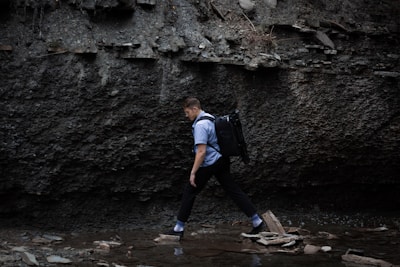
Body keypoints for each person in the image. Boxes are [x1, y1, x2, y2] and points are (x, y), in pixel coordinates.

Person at [166, 97, 265, 238]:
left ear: (194, 109)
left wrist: (193, 172)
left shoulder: (200, 125)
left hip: (210, 163)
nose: (186, 115)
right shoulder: (211, 117)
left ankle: (178, 229)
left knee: (189, 191)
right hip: (222, 160)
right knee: (234, 190)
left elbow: (201, 152)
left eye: (187, 112)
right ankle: (257, 221)